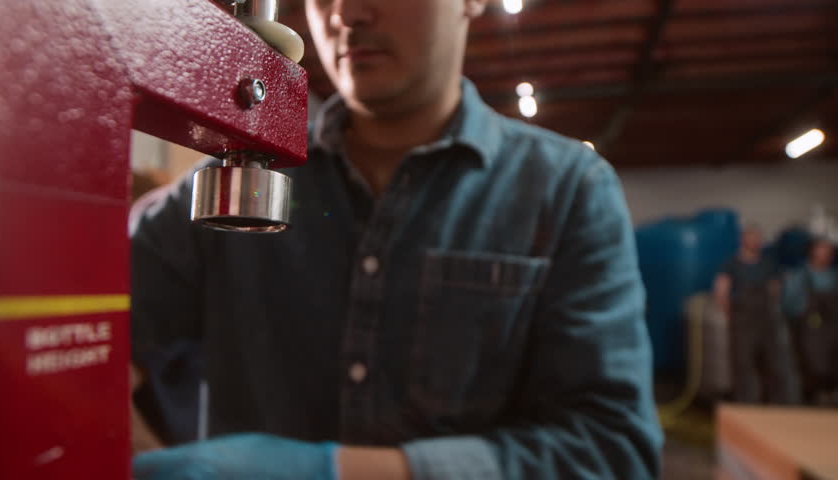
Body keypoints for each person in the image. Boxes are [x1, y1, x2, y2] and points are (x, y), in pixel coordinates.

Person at [129, 0, 662, 478]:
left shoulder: (567, 190)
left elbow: (612, 452)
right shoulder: (236, 181)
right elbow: (80, 326)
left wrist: (333, 472)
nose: (346, 15)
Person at [713, 225, 796, 404]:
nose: (755, 242)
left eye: (758, 238)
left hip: (767, 321)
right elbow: (721, 292)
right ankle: (746, 404)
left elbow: (776, 289)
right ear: (743, 239)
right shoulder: (731, 264)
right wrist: (731, 316)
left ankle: (778, 405)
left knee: (775, 363)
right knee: (743, 365)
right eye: (752, 237)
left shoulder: (768, 263)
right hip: (743, 323)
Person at [782, 237, 838, 403]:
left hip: (833, 335)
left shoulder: (834, 277)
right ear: (812, 251)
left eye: (829, 250)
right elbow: (789, 305)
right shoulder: (799, 277)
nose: (826, 253)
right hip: (809, 333)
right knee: (812, 370)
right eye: (822, 249)